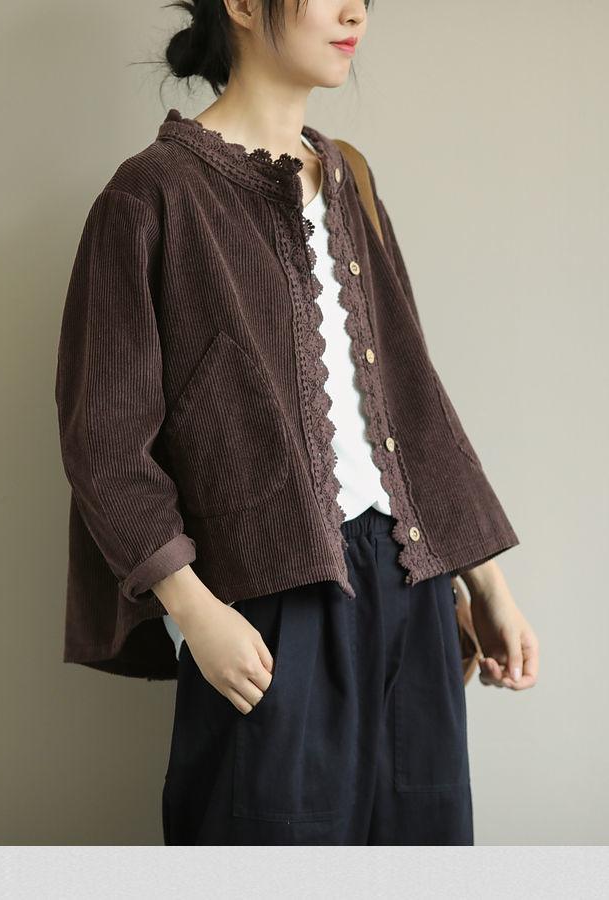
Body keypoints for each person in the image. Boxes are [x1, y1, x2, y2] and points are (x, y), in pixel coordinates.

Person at [54, 0, 539, 846]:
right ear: (244, 5)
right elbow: (104, 437)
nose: (356, 12)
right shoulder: (152, 194)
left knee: (423, 843)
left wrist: (485, 584)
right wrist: (193, 610)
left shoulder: (351, 177)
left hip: (413, 585)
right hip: (269, 601)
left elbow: (410, 392)